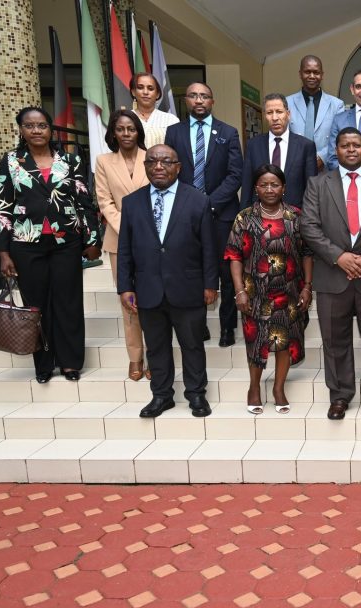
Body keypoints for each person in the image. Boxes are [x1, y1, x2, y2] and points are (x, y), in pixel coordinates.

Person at [300, 128, 361, 420]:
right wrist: (339, 257)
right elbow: (309, 227)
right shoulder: (317, 184)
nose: (351, 150)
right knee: (334, 341)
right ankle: (340, 395)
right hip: (332, 276)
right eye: (345, 145)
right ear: (337, 150)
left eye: (357, 145)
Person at [0, 106, 100, 384]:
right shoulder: (11, 161)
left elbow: (84, 201)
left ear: (50, 129)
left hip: (66, 241)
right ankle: (43, 364)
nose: (36, 130)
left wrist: (92, 239)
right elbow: (4, 208)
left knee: (68, 302)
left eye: (42, 125)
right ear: (21, 130)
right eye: (30, 126)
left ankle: (70, 362)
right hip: (26, 243)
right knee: (36, 306)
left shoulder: (70, 160)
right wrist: (4, 252)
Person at [117, 144, 219, 419]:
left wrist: (211, 284)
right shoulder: (132, 202)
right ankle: (161, 395)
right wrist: (125, 287)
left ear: (178, 167)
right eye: (152, 161)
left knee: (192, 344)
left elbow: (209, 248)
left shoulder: (197, 200)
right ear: (146, 166)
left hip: (188, 287)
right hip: (148, 289)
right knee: (157, 346)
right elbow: (125, 248)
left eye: (166, 161)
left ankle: (196, 393)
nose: (159, 166)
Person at [225, 165, 313, 415]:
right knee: (257, 343)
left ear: (283, 188)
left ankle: (278, 389)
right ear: (256, 188)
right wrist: (239, 291)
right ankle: (254, 388)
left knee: (284, 341)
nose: (269, 189)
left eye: (274, 184)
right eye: (264, 184)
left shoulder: (295, 216)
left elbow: (307, 253)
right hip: (255, 293)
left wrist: (307, 287)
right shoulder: (244, 218)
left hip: (289, 292)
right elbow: (234, 256)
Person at [164, 82, 243, 348]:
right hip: (185, 215)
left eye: (204, 96)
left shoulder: (228, 132)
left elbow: (235, 175)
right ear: (186, 99)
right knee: (192, 271)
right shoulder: (173, 133)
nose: (199, 100)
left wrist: (208, 204)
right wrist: (191, 205)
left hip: (222, 214)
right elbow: (170, 172)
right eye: (194, 95)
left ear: (212, 101)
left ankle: (227, 326)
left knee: (226, 272)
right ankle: (199, 325)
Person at [95, 109, 150, 381]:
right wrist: (128, 228)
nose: (126, 133)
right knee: (129, 300)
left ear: (138, 131)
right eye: (120, 129)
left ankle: (155, 355)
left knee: (152, 299)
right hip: (119, 240)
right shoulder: (104, 162)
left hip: (152, 239)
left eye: (131, 128)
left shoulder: (151, 158)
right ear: (113, 133)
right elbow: (105, 201)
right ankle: (135, 357)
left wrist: (144, 229)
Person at [242, 93, 317, 210]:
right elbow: (247, 185)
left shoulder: (306, 146)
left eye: (279, 112)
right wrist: (244, 215)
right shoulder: (253, 145)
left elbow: (311, 189)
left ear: (288, 114)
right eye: (269, 112)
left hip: (295, 215)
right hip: (259, 214)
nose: (275, 118)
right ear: (265, 116)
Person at [287, 55, 345, 171]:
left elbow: (340, 137)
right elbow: (283, 135)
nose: (312, 76)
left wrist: (322, 158)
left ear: (322, 75)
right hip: (295, 167)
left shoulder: (337, 105)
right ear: (300, 74)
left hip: (325, 169)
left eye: (316, 72)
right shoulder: (287, 103)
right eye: (307, 72)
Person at [129, 72, 179, 148]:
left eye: (150, 88)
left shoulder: (171, 120)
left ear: (157, 94)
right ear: (133, 92)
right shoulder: (125, 119)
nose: (145, 92)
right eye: (140, 87)